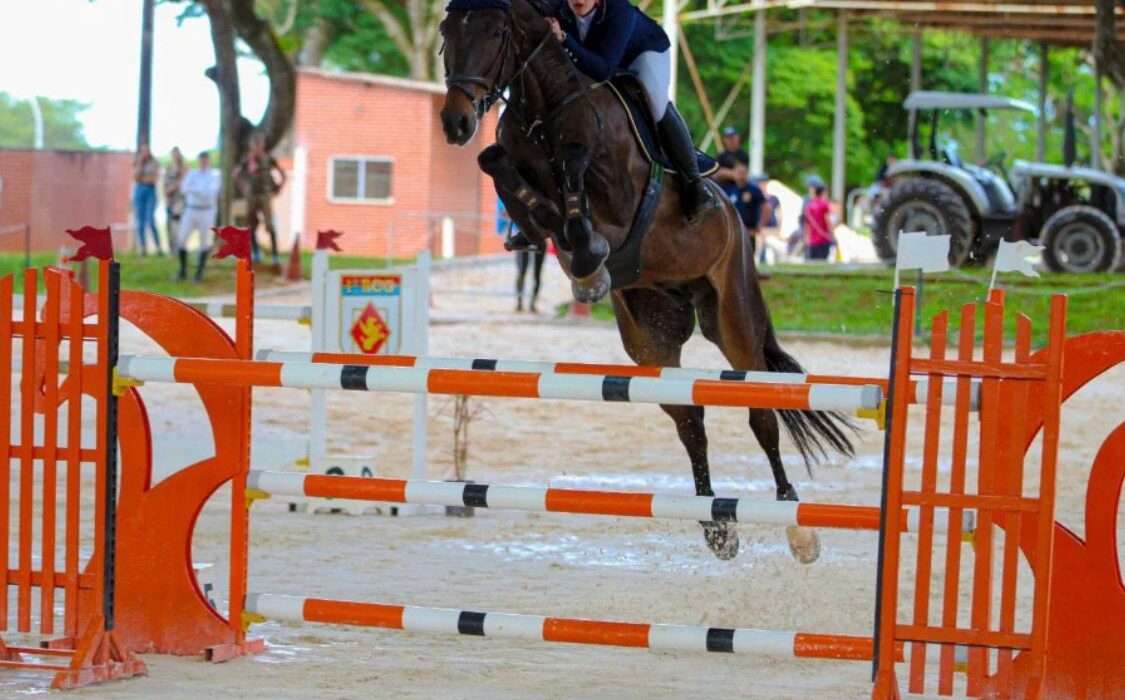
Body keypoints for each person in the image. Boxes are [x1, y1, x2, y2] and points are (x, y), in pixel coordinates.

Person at [547, 0, 718, 223]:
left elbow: (603, 71)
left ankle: (695, 184)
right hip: (599, 59)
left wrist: (564, 39)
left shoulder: (619, 10)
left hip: (643, 53)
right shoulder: (558, 10)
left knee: (655, 104)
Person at [234, 133, 286, 266]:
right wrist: (244, 188)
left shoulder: (269, 159)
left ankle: (275, 256)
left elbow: (282, 173)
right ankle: (256, 253)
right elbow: (236, 174)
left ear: (263, 144)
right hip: (251, 195)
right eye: (254, 144)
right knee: (251, 225)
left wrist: (279, 187)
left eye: (259, 143)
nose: (257, 146)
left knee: (269, 224)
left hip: (264, 195)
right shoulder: (247, 160)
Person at [176, 151, 221, 282]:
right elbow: (184, 189)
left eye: (205, 160)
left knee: (204, 241)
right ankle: (183, 271)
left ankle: (199, 273)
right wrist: (198, 190)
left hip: (207, 211)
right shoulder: (192, 174)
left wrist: (194, 189)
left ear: (209, 161)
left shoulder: (214, 175)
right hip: (191, 209)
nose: (203, 163)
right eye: (201, 160)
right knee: (182, 238)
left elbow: (210, 193)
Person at [716, 155, 765, 254]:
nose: (741, 175)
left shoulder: (754, 190)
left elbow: (766, 207)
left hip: (749, 232)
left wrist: (760, 224)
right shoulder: (728, 190)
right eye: (738, 172)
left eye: (743, 173)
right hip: (731, 232)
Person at [132, 144, 163, 256]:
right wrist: (140, 164)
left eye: (146, 151)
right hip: (139, 191)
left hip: (150, 191)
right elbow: (135, 177)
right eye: (142, 151)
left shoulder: (155, 163)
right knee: (139, 221)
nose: (144, 153)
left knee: (150, 219)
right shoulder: (137, 162)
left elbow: (153, 179)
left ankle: (158, 248)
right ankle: (143, 248)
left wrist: (143, 178)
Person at [804, 184, 835, 261]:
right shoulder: (824, 205)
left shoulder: (809, 206)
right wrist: (832, 234)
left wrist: (807, 238)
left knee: (813, 264)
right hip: (824, 239)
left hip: (813, 240)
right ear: (822, 193)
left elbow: (807, 224)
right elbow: (828, 220)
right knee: (823, 263)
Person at [163, 147, 186, 247]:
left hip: (180, 200)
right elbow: (164, 185)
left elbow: (184, 182)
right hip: (170, 200)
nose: (175, 156)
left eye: (177, 154)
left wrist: (174, 187)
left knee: (178, 224)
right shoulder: (168, 168)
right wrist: (167, 193)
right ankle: (171, 248)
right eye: (173, 154)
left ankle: (179, 246)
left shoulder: (184, 168)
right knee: (169, 225)